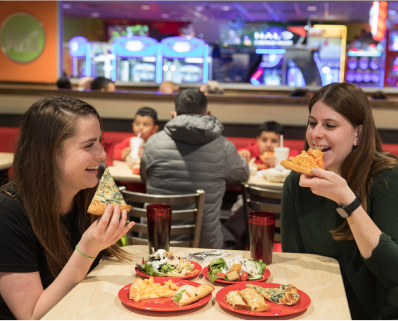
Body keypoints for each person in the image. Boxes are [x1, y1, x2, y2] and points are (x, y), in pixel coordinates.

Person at [0, 96, 135, 321]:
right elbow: (32, 316)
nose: (101, 154)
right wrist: (87, 249)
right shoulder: (8, 213)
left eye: (100, 141)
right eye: (88, 145)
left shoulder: (89, 194)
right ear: (48, 152)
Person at [281, 83, 398, 320]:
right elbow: (294, 261)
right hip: (320, 307)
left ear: (359, 134)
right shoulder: (297, 182)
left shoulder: (386, 177)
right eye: (313, 123)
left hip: (378, 312)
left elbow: (392, 273)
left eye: (330, 125)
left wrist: (347, 200)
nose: (316, 134)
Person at [140, 88, 249, 249]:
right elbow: (242, 177)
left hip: (156, 243)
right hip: (205, 247)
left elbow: (145, 177)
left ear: (173, 115)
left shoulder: (152, 143)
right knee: (243, 206)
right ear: (208, 113)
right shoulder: (224, 146)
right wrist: (244, 162)